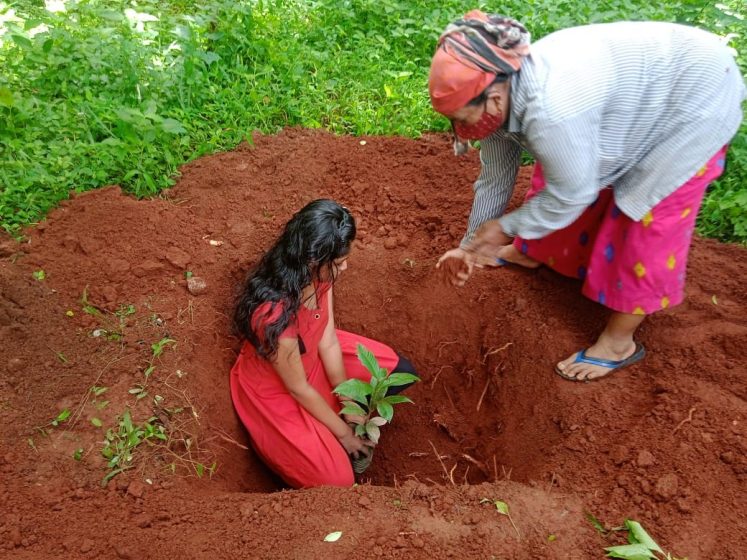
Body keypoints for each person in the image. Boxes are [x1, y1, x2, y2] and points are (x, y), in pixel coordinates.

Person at [428, 11, 746, 382]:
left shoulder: (553, 111)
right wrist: (471, 245)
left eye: (464, 118)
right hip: (632, 97)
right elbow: (496, 177)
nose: (463, 130)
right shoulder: (496, 97)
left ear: (494, 94)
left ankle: (618, 343)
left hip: (692, 97)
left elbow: (570, 194)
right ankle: (533, 253)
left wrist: (502, 227)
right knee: (563, 175)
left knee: (645, 215)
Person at [230, 199, 417, 488]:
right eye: (339, 262)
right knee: (338, 481)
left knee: (397, 370)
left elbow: (328, 340)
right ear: (313, 261)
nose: (345, 266)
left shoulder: (318, 277)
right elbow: (297, 387)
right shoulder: (272, 315)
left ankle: (328, 431)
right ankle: (307, 446)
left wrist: (349, 399)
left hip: (313, 354)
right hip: (280, 389)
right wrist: (345, 435)